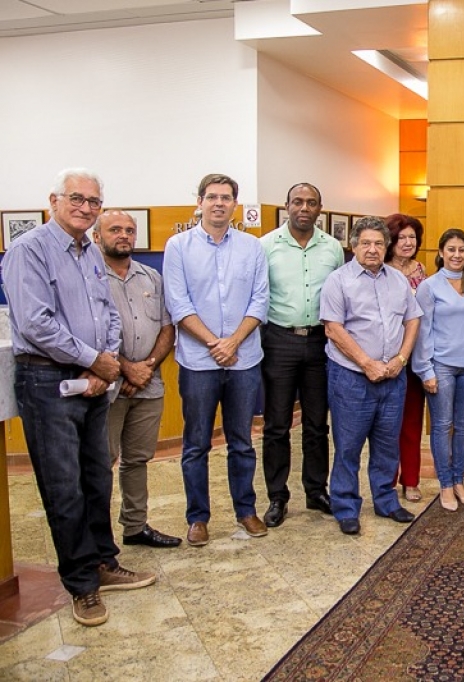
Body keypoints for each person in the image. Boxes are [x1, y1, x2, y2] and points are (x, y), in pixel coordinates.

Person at [3, 168, 155, 627]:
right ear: (54, 200)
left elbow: (107, 311)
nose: (86, 207)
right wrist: (95, 361)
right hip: (48, 383)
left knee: (96, 479)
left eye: (94, 200)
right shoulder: (29, 251)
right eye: (77, 199)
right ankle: (82, 585)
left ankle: (104, 562)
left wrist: (103, 360)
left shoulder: (90, 251)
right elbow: (34, 323)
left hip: (94, 380)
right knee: (63, 488)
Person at [163, 173, 269, 547]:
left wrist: (234, 341)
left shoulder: (252, 248)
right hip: (198, 362)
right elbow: (178, 304)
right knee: (196, 444)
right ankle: (198, 518)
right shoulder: (178, 246)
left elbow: (260, 301)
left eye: (226, 197)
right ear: (200, 201)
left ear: (235, 204)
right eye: (212, 197)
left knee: (241, 440)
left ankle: (246, 511)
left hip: (244, 360)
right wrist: (214, 344)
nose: (219, 203)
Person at [321, 216, 422, 535]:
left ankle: (386, 500)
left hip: (394, 377)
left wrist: (401, 358)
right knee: (348, 446)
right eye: (365, 243)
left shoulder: (398, 280)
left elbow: (413, 320)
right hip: (351, 377)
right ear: (353, 246)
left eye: (379, 243)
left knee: (387, 443)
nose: (373, 249)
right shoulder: (338, 280)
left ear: (386, 246)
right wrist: (367, 362)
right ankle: (346, 506)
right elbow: (333, 329)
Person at [94, 210, 180, 548]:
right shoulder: (90, 277)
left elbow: (166, 327)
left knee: (137, 459)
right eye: (115, 229)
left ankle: (135, 526)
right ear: (97, 236)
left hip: (148, 385)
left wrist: (146, 367)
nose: (124, 236)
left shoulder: (151, 278)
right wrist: (126, 367)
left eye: (129, 230)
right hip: (107, 387)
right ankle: (99, 541)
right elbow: (89, 333)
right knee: (103, 463)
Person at [259, 183, 343, 527]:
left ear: (320, 209)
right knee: (277, 425)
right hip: (278, 339)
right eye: (298, 202)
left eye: (311, 203)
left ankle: (316, 490)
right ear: (287, 206)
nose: (304, 208)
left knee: (316, 424)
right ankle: (277, 496)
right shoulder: (266, 246)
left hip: (321, 343)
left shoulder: (333, 248)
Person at [412, 229, 464, 512]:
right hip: (440, 366)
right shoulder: (429, 287)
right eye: (451, 249)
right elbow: (422, 331)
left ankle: (458, 481)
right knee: (442, 426)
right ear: (441, 253)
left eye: (462, 250)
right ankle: (445, 484)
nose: (457, 255)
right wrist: (424, 370)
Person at [385, 214, 429, 502]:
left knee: (412, 421)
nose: (408, 242)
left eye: (412, 237)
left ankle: (411, 480)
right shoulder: (379, 270)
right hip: (385, 356)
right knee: (387, 423)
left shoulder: (421, 271)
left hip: (415, 356)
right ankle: (386, 480)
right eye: (402, 237)